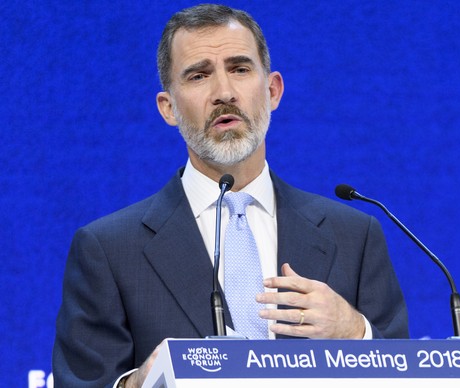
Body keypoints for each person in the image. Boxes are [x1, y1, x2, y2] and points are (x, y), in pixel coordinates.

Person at [52, 3, 409, 387]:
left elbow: (410, 375)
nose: (224, 92)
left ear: (272, 90)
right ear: (168, 108)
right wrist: (136, 384)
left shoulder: (354, 236)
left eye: (239, 69)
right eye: (199, 75)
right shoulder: (109, 249)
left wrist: (354, 331)